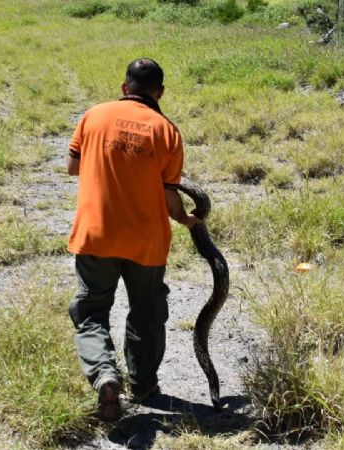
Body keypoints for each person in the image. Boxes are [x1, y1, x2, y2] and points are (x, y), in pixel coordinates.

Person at [66, 58, 200, 422]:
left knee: (92, 310)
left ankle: (104, 375)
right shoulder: (167, 132)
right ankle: (142, 386)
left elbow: (73, 166)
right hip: (146, 241)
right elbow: (170, 195)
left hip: (97, 235)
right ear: (160, 92)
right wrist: (185, 219)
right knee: (146, 311)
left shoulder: (94, 115)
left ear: (125, 88)